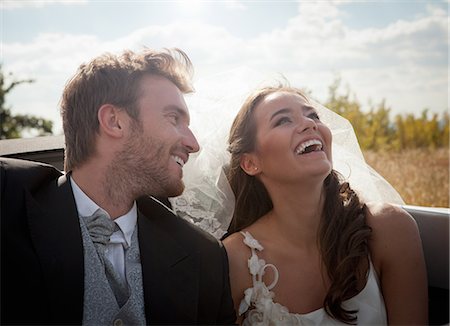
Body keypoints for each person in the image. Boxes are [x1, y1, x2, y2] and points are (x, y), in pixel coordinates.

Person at [0, 48, 236, 325]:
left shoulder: (203, 256)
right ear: (115, 121)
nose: (194, 144)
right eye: (174, 119)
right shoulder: (7, 199)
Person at [221, 85, 428, 325]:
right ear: (250, 163)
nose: (311, 124)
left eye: (313, 115)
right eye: (283, 121)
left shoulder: (389, 228)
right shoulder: (235, 261)